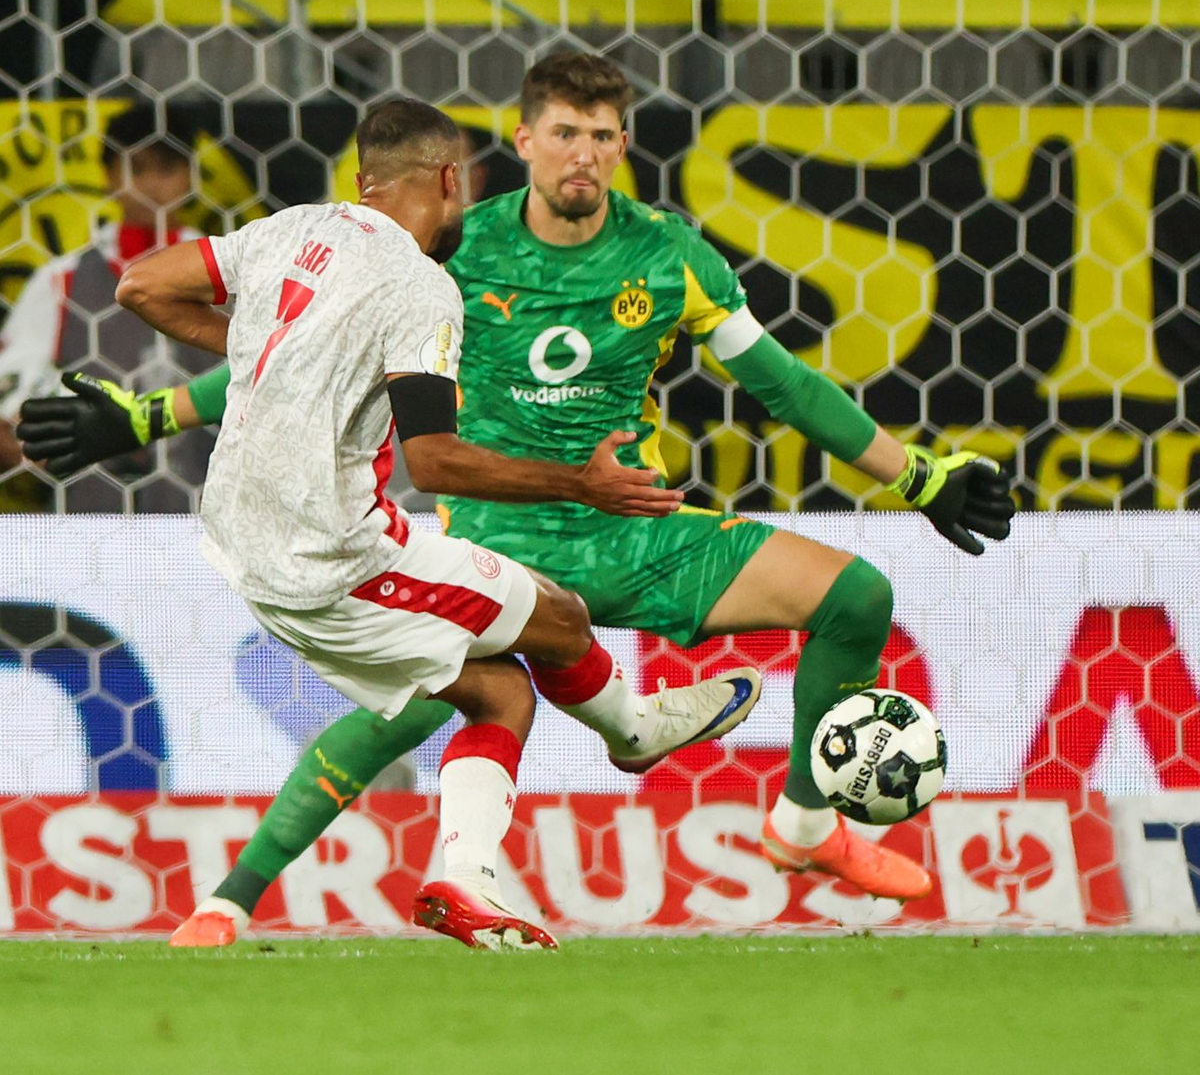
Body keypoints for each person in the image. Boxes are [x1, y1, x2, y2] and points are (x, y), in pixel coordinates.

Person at [21, 55, 1013, 943]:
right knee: (405, 715)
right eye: (565, 132)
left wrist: (918, 475)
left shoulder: (672, 255)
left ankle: (803, 824)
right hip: (502, 531)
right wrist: (150, 416)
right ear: (526, 139)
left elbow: (785, 386)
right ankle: (231, 900)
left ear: (624, 147)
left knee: (857, 596)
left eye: (603, 136)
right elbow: (304, 355)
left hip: (634, 529)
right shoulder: (450, 249)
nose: (583, 153)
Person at [100, 96, 758, 949]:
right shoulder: (422, 285)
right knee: (560, 616)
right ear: (452, 181)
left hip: (237, 547)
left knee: (501, 689)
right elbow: (437, 460)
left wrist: (268, 354)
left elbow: (140, 283)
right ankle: (633, 729)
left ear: (364, 178)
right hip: (339, 557)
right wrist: (583, 484)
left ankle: (464, 878)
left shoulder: (291, 231)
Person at [0, 104, 207, 511]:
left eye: (167, 168)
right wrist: (33, 449)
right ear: (109, 176)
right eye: (137, 167)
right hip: (91, 522)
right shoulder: (64, 281)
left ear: (190, 175)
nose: (151, 184)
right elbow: (11, 390)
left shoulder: (236, 280)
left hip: (211, 521)